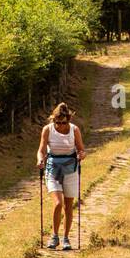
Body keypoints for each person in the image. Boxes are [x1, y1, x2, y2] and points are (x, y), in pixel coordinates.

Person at [37, 102, 84, 250]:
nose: (60, 125)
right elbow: (41, 150)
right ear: (53, 120)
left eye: (63, 122)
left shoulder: (74, 130)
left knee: (69, 206)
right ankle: (54, 236)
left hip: (71, 169)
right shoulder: (47, 130)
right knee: (58, 203)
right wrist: (40, 159)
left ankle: (66, 238)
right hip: (53, 169)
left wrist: (81, 155)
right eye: (57, 122)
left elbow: (81, 149)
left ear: (68, 120)